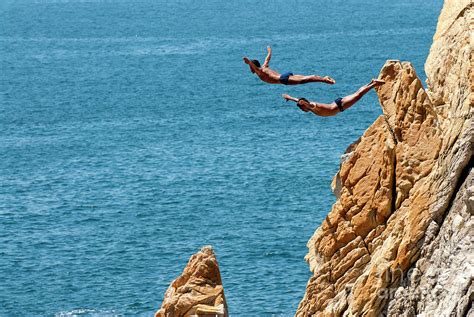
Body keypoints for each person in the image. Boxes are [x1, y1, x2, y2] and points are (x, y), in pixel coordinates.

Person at [282, 79, 385, 116]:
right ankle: (371, 83)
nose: (303, 110)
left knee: (358, 96)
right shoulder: (309, 106)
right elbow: (299, 100)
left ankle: (373, 84)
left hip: (340, 106)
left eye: (302, 108)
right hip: (337, 103)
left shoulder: (311, 106)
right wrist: (290, 98)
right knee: (357, 93)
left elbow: (304, 103)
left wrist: (301, 103)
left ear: (305, 106)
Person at [243, 46, 335, 85]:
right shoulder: (264, 67)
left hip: (283, 79)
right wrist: (269, 51)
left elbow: (255, 67)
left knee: (305, 79)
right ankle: (323, 78)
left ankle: (324, 80)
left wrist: (248, 62)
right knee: (305, 78)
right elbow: (268, 58)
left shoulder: (260, 71)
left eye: (250, 67)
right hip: (284, 76)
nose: (250, 69)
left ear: (253, 66)